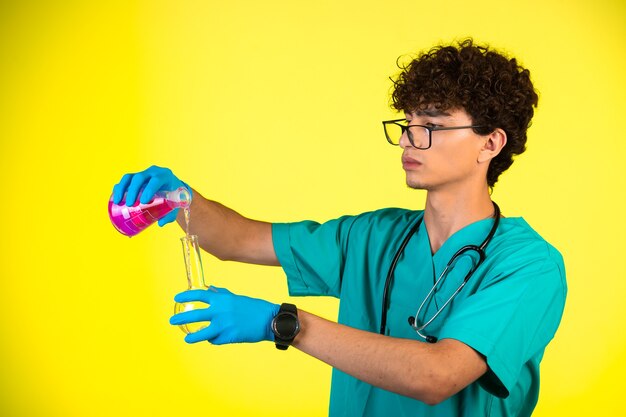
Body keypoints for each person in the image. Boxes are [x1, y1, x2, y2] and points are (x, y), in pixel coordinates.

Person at [112, 38, 566, 416]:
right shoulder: (372, 237)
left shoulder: (528, 265)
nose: (410, 138)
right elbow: (239, 239)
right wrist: (181, 201)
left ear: (491, 142)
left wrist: (283, 324)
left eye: (432, 125)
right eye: (407, 123)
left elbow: (437, 376)